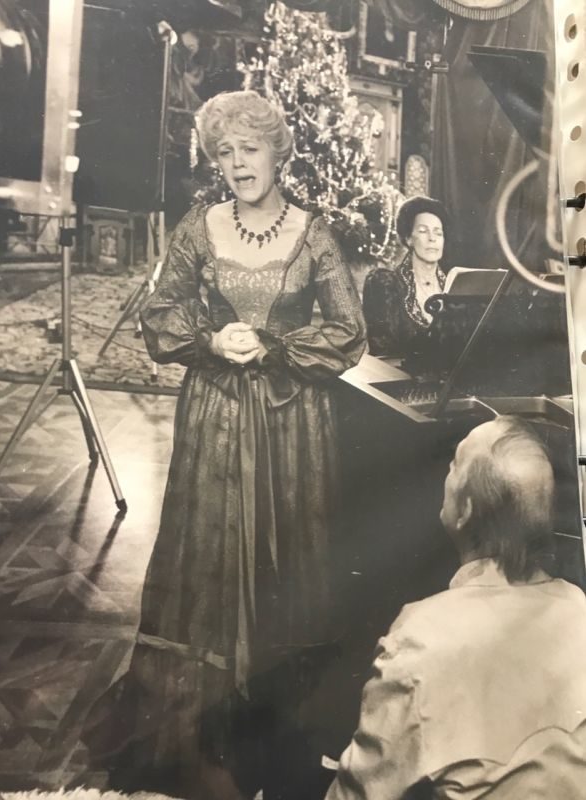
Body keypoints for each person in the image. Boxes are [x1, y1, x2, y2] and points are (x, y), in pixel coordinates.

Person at [83, 90, 365, 800]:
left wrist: (274, 346)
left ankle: (272, 734)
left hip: (292, 424)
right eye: (225, 152)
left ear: (278, 154)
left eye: (250, 149)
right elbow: (159, 315)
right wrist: (210, 340)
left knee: (287, 559)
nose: (238, 163)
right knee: (207, 555)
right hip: (214, 415)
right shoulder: (199, 226)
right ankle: (200, 735)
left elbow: (348, 331)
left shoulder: (314, 234)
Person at [326, 415, 586, 799]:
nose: (447, 471)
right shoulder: (579, 606)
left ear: (464, 511)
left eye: (455, 463)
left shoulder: (419, 639)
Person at [362, 196, 448, 358]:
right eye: (423, 231)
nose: (432, 238)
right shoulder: (385, 283)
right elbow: (382, 350)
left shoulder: (455, 285)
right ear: (408, 239)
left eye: (438, 233)